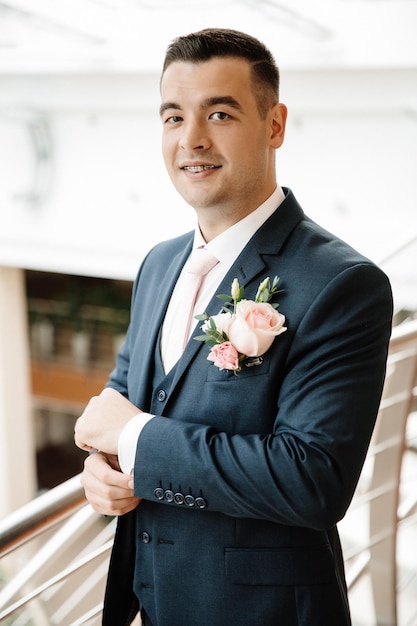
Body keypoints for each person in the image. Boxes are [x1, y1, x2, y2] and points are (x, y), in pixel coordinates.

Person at [74, 28, 393, 626]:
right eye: (173, 117)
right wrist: (104, 469)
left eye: (219, 113)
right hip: (147, 603)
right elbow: (122, 405)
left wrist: (138, 442)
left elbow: (313, 480)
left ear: (274, 125)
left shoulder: (344, 283)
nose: (191, 140)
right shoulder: (158, 263)